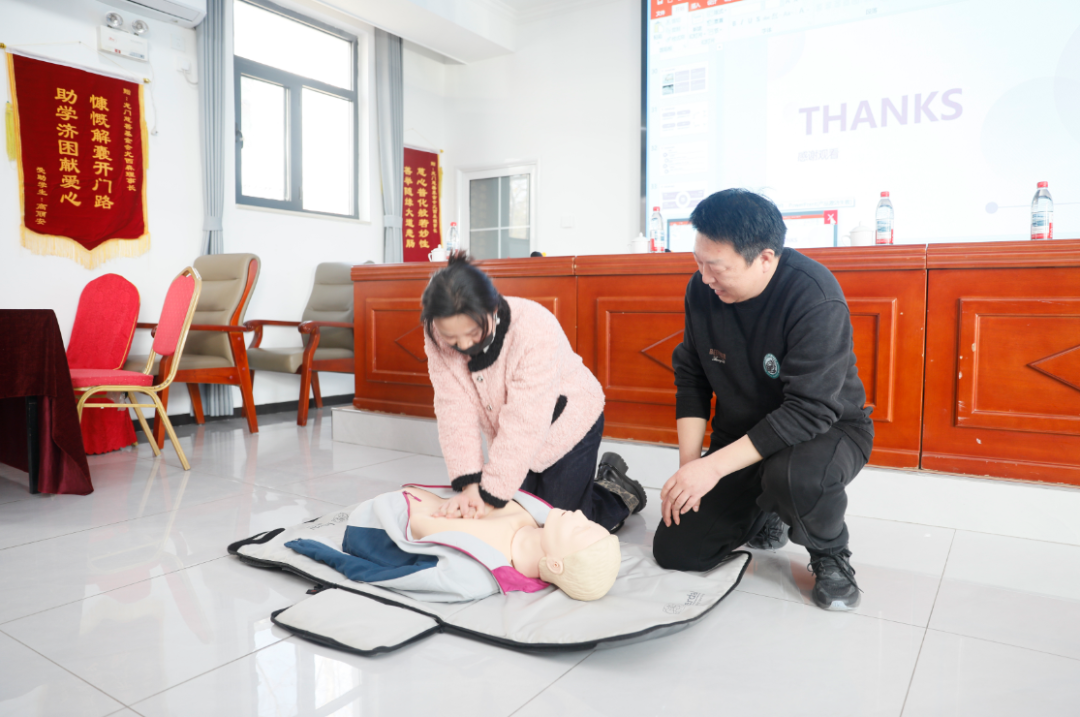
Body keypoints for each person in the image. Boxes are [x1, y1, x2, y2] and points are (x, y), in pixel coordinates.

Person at [652, 189, 874, 611]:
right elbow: (692, 376)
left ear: (765, 258)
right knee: (678, 551)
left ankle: (830, 553)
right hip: (743, 435)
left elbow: (809, 410)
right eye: (698, 263)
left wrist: (713, 468)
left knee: (794, 477)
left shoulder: (813, 295)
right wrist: (691, 469)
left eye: (717, 267)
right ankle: (766, 509)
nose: (705, 278)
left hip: (825, 430)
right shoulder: (703, 290)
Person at [420, 253, 646, 532]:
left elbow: (525, 421)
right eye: (452, 338)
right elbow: (454, 410)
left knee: (557, 526)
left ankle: (616, 490)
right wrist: (470, 485)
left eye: (473, 333)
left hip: (568, 422)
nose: (464, 345)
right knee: (520, 515)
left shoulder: (533, 327)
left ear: (492, 307)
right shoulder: (437, 333)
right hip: (517, 435)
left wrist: (490, 493)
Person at [286, 486, 622, 602]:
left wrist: (320, 551)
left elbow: (386, 576)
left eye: (580, 529)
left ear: (557, 563)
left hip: (374, 524)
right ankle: (620, 494)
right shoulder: (539, 516)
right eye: (588, 521)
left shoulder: (474, 576)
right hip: (419, 497)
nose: (580, 514)